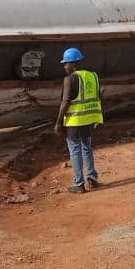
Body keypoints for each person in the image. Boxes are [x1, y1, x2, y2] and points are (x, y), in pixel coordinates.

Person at [54, 47, 102, 194]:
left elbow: (65, 101)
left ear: (74, 63)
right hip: (89, 119)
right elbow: (98, 96)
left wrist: (58, 122)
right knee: (87, 148)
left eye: (66, 63)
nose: (64, 66)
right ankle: (92, 179)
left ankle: (78, 184)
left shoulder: (70, 79)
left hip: (74, 122)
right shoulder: (93, 76)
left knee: (75, 150)